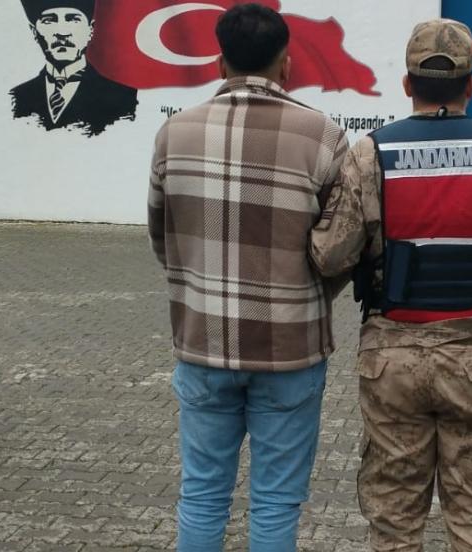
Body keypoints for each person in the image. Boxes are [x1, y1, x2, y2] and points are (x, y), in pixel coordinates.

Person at [310, 19, 472, 552]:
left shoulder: (369, 155)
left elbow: (331, 256)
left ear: (406, 84)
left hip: (391, 364)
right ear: (471, 85)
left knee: (395, 522)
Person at [148, 4, 348, 551]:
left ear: (220, 63)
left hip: (203, 341)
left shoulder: (173, 133)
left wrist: (198, 287)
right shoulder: (325, 137)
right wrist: (308, 294)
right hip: (290, 348)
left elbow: (163, 237)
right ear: (287, 63)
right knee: (276, 501)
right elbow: (338, 252)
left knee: (202, 494)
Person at [11, 0, 138, 136]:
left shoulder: (124, 98)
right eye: (49, 21)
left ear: (91, 30)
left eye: (73, 19)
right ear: (34, 31)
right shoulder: (18, 98)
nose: (62, 32)